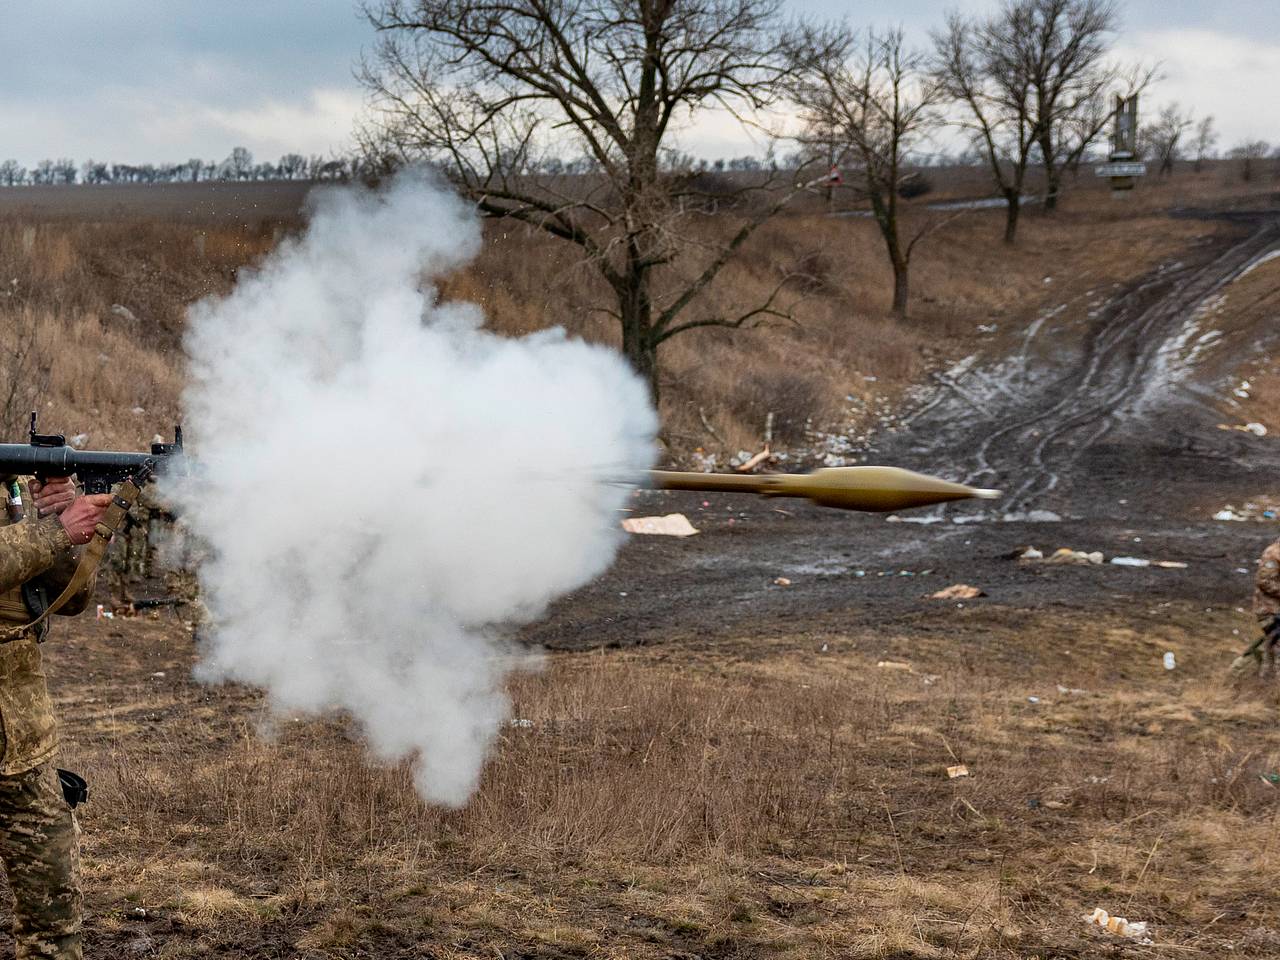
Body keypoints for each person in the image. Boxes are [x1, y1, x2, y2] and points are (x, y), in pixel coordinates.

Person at [0, 475, 112, 960]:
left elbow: (74, 599)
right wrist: (55, 531)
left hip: (22, 744)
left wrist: (71, 533)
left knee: (52, 913)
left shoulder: (14, 489)